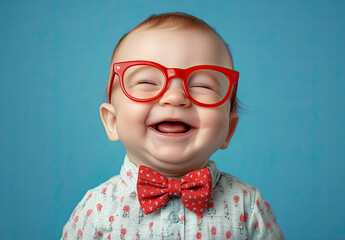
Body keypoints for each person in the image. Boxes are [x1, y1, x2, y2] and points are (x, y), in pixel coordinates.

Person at [60, 12, 284, 239]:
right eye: (147, 82)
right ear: (112, 122)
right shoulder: (96, 209)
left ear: (229, 130)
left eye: (203, 86)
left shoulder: (247, 206)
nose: (175, 97)